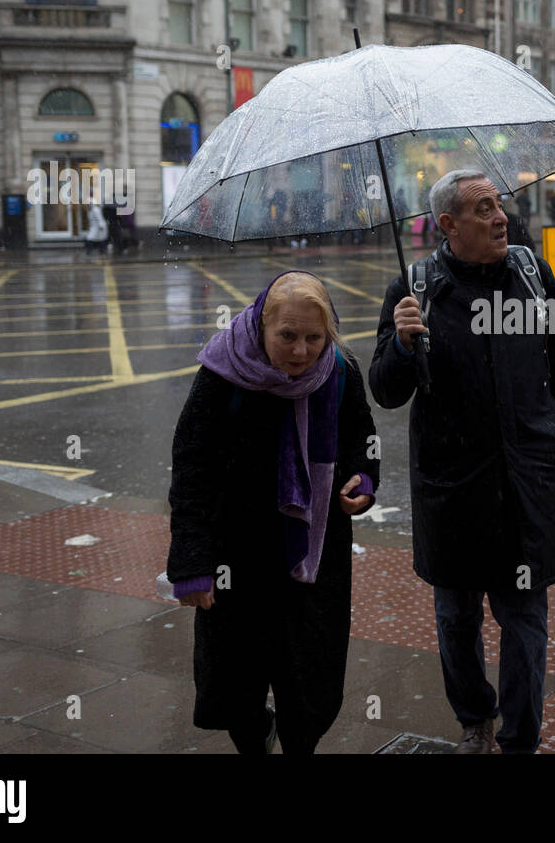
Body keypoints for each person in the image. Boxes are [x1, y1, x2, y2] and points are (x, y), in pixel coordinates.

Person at [369, 168, 555, 754]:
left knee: (525, 625)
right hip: (453, 491)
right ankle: (474, 715)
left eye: (498, 205)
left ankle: (520, 738)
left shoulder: (532, 274)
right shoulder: (414, 288)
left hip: (528, 483)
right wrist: (400, 346)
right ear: (448, 225)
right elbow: (386, 390)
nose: (500, 217)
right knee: (456, 618)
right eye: (482, 209)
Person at [166, 271, 380, 754]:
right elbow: (192, 467)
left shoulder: (340, 369)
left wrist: (362, 479)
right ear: (262, 326)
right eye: (287, 335)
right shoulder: (222, 374)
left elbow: (363, 439)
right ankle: (253, 738)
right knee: (236, 682)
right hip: (235, 555)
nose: (301, 351)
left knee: (309, 680)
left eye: (313, 337)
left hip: (313, 554)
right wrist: (191, 562)